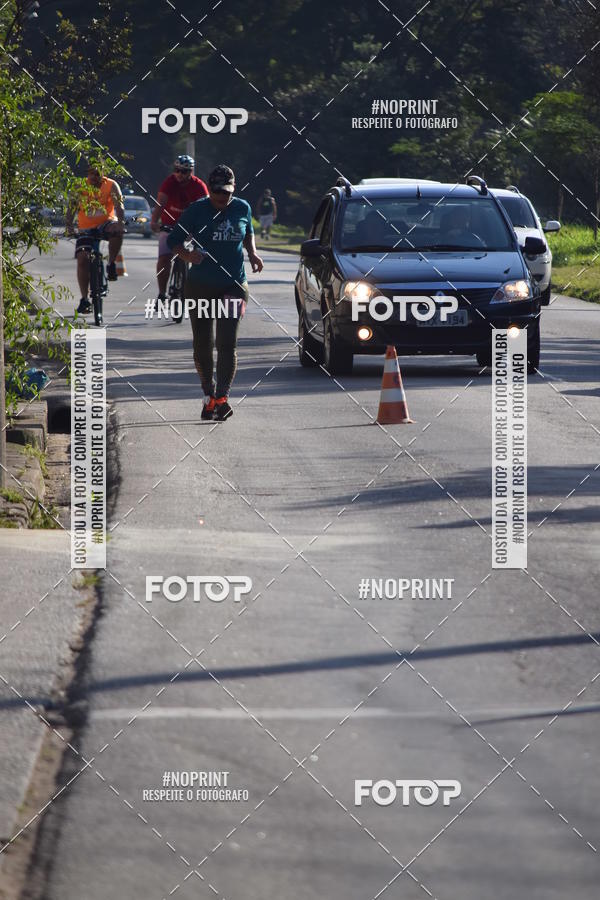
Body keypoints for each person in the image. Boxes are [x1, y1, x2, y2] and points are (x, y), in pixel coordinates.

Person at [167, 165, 263, 421]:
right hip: (200, 286)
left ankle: (222, 398)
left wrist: (252, 252)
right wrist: (187, 254)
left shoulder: (242, 207)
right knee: (203, 344)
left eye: (227, 193)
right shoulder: (196, 210)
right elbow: (173, 240)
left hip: (233, 286)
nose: (222, 198)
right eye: (218, 193)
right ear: (209, 190)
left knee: (227, 343)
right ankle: (208, 395)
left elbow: (249, 233)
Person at [66, 164, 125, 314]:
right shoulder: (80, 186)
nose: (94, 177)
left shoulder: (111, 185)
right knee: (82, 259)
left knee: (117, 233)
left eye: (97, 174)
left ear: (103, 174)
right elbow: (71, 207)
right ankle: (85, 300)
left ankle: (111, 264)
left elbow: (119, 206)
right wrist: (69, 227)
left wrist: (120, 223)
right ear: (87, 174)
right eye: (91, 174)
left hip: (106, 224)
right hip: (85, 228)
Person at [150, 155, 208, 302]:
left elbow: (206, 209)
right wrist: (154, 221)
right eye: (177, 170)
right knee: (164, 258)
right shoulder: (169, 182)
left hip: (190, 226)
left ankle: (197, 288)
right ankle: (162, 294)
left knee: (201, 254)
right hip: (169, 225)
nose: (180, 174)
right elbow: (161, 203)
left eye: (184, 171)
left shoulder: (199, 186)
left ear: (191, 172)